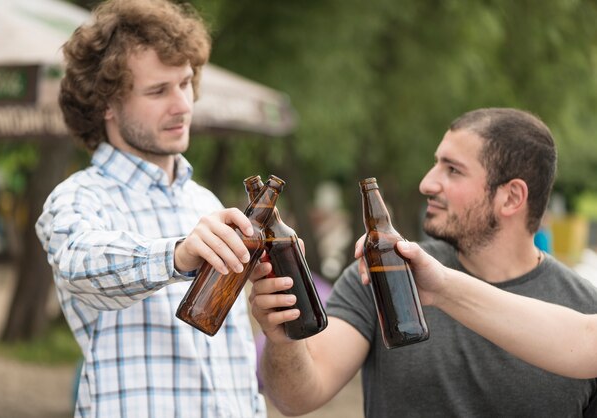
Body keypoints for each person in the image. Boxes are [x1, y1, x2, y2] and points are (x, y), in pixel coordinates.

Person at [250, 108, 597, 417]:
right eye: (436, 164)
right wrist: (284, 341)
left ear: (511, 197)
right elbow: (296, 398)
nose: (427, 183)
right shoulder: (386, 273)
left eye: (453, 170)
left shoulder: (584, 308)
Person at [36, 0, 266, 416]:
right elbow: (79, 262)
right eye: (158, 90)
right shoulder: (77, 197)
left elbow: (233, 360)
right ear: (105, 104)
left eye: (185, 82)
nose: (183, 104)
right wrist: (176, 255)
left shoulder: (204, 202)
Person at [386, 240, 597, 380]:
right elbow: (585, 339)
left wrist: (442, 288)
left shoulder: (583, 295)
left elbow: (586, 341)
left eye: (453, 170)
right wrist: (441, 287)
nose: (426, 185)